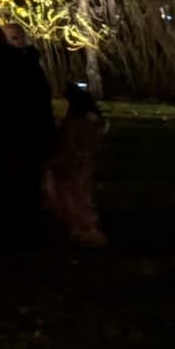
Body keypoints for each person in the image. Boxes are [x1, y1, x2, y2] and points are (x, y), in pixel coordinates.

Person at [0, 11, 51, 250]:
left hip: (16, 131)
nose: (12, 43)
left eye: (16, 38)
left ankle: (19, 230)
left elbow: (36, 99)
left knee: (18, 181)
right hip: (11, 130)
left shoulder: (18, 65)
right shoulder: (12, 64)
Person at [43, 85, 105, 248]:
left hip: (71, 165)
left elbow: (69, 146)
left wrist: (54, 162)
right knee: (83, 196)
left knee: (71, 198)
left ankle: (79, 231)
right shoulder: (94, 122)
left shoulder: (74, 123)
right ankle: (86, 230)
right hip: (85, 164)